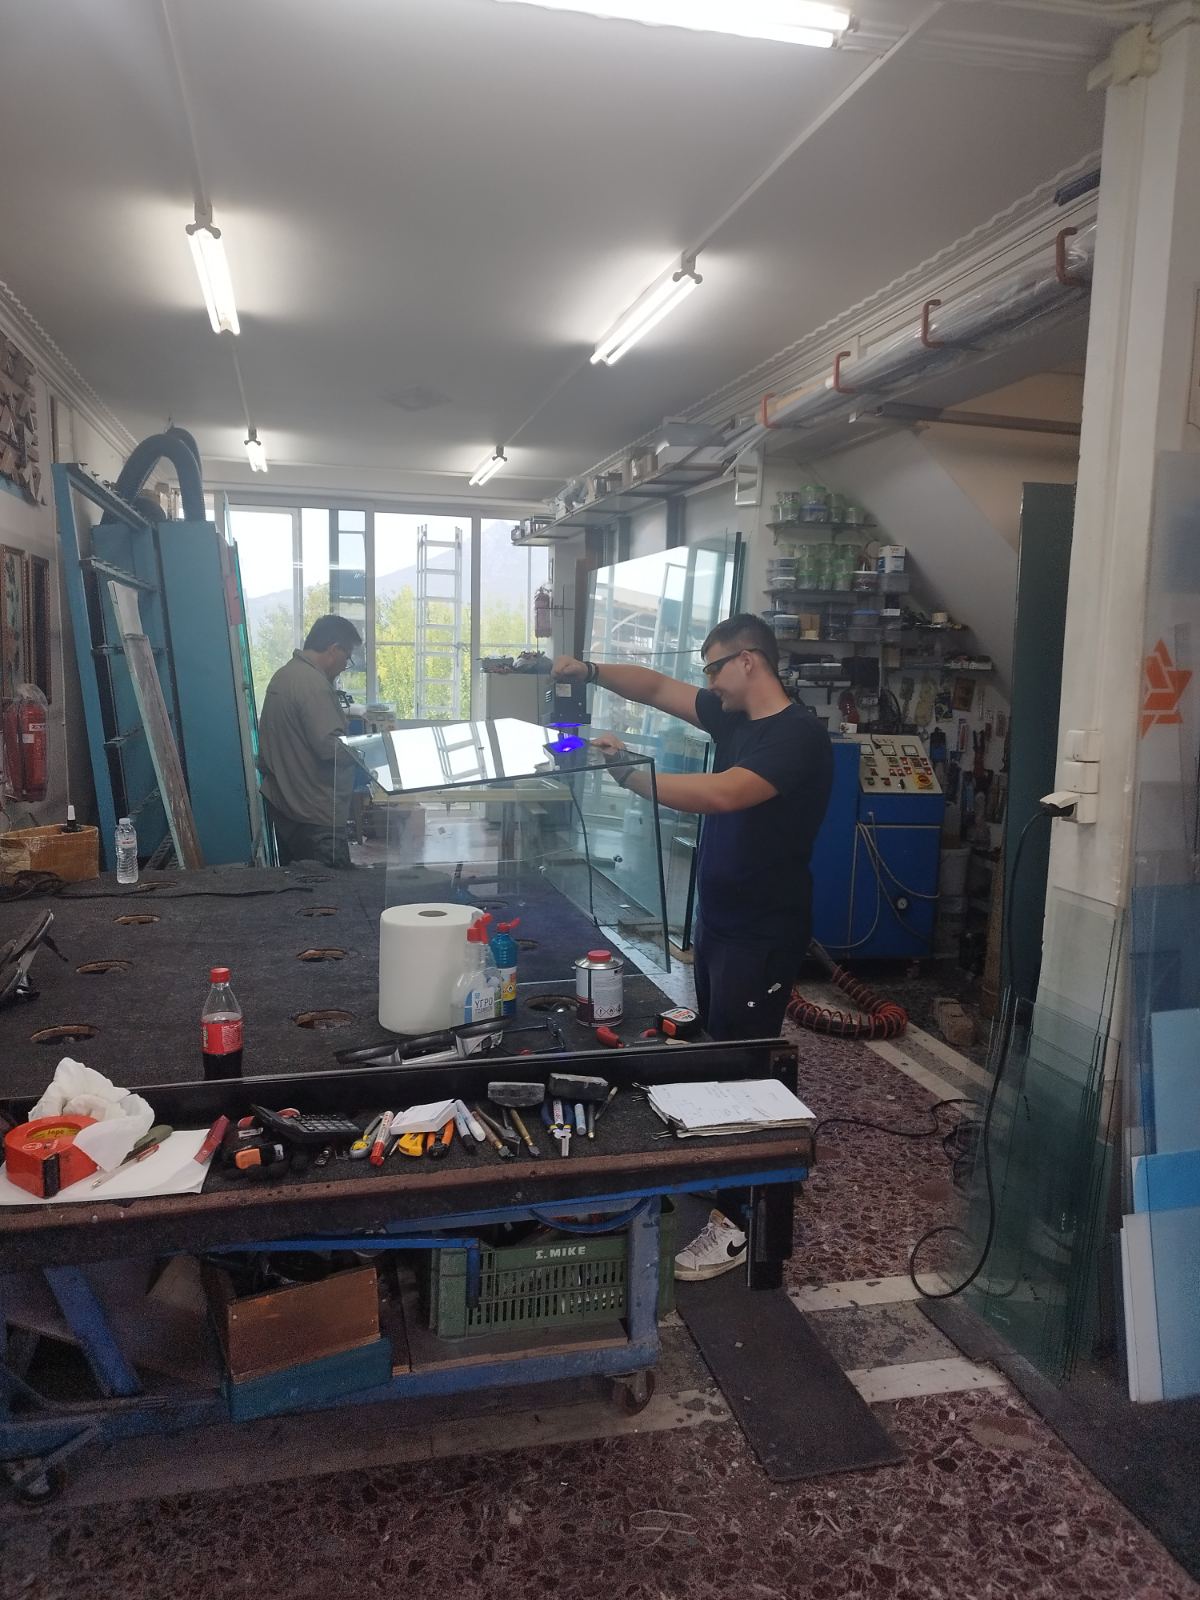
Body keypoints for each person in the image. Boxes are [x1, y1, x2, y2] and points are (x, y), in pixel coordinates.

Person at [552, 612, 833, 1280]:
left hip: (764, 929)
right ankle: (731, 1168)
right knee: (717, 1047)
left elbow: (724, 794)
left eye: (714, 669)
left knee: (745, 1064)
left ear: (748, 661)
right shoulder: (735, 718)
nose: (707, 685)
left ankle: (741, 1221)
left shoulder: (797, 736)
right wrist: (589, 671)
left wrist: (629, 777)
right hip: (720, 920)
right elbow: (654, 687)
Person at [258, 614, 363, 869]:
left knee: (300, 883)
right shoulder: (314, 685)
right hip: (315, 814)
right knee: (329, 886)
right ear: (333, 649)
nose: (345, 665)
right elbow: (329, 747)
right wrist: (364, 751)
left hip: (288, 806)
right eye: (347, 657)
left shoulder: (284, 675)